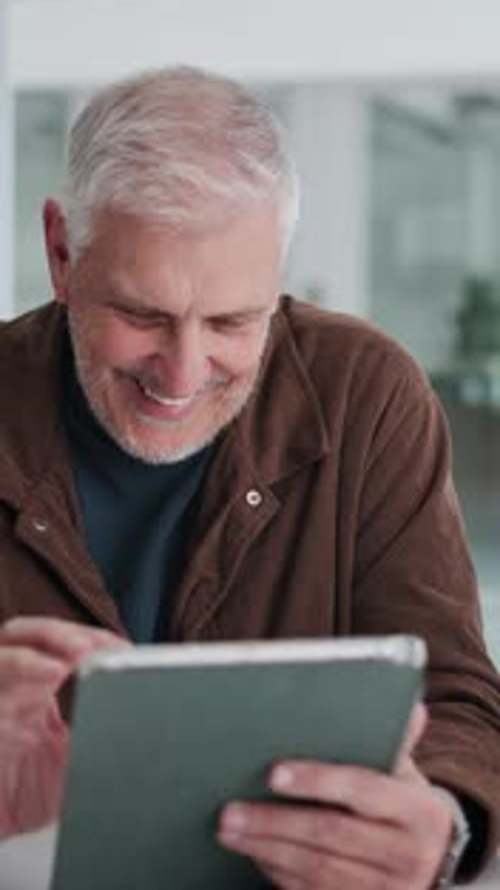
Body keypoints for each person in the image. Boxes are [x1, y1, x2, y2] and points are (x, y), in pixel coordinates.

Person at [0, 65, 499, 889]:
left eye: (233, 320)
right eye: (143, 315)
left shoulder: (366, 396)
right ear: (62, 251)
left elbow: (459, 700)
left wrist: (440, 824)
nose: (183, 373)